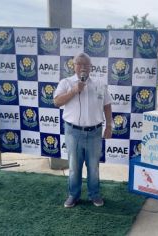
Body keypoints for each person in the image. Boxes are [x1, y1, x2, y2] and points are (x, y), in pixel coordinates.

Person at [54, 52, 112, 208]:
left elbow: (107, 105)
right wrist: (74, 90)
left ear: (91, 67)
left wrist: (109, 125)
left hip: (95, 132)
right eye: (79, 64)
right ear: (74, 66)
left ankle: (95, 195)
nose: (83, 67)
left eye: (86, 64)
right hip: (73, 132)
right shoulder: (66, 82)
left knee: (93, 167)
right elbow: (57, 102)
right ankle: (73, 195)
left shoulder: (100, 84)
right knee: (74, 167)